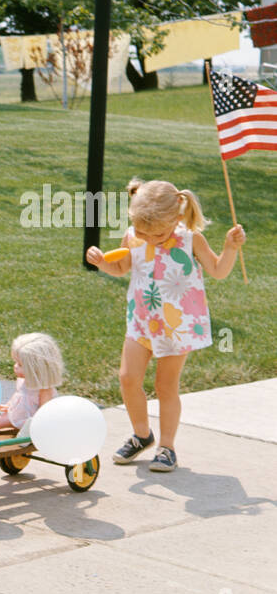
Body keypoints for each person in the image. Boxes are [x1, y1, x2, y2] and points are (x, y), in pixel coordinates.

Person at [86, 178, 245, 472]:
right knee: (127, 378)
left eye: (157, 233)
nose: (149, 238)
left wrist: (230, 248)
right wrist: (102, 263)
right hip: (141, 321)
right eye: (143, 232)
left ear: (176, 217)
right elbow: (121, 267)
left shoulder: (190, 239)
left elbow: (219, 271)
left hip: (177, 325)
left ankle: (167, 446)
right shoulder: (134, 236)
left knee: (165, 386)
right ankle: (142, 434)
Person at [0, 332, 63, 431]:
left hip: (27, 420)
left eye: (20, 364)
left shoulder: (44, 389)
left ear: (35, 369)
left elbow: (44, 412)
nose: (15, 366)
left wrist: (35, 427)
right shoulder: (23, 379)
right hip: (18, 413)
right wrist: (9, 405)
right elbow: (19, 394)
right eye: (15, 362)